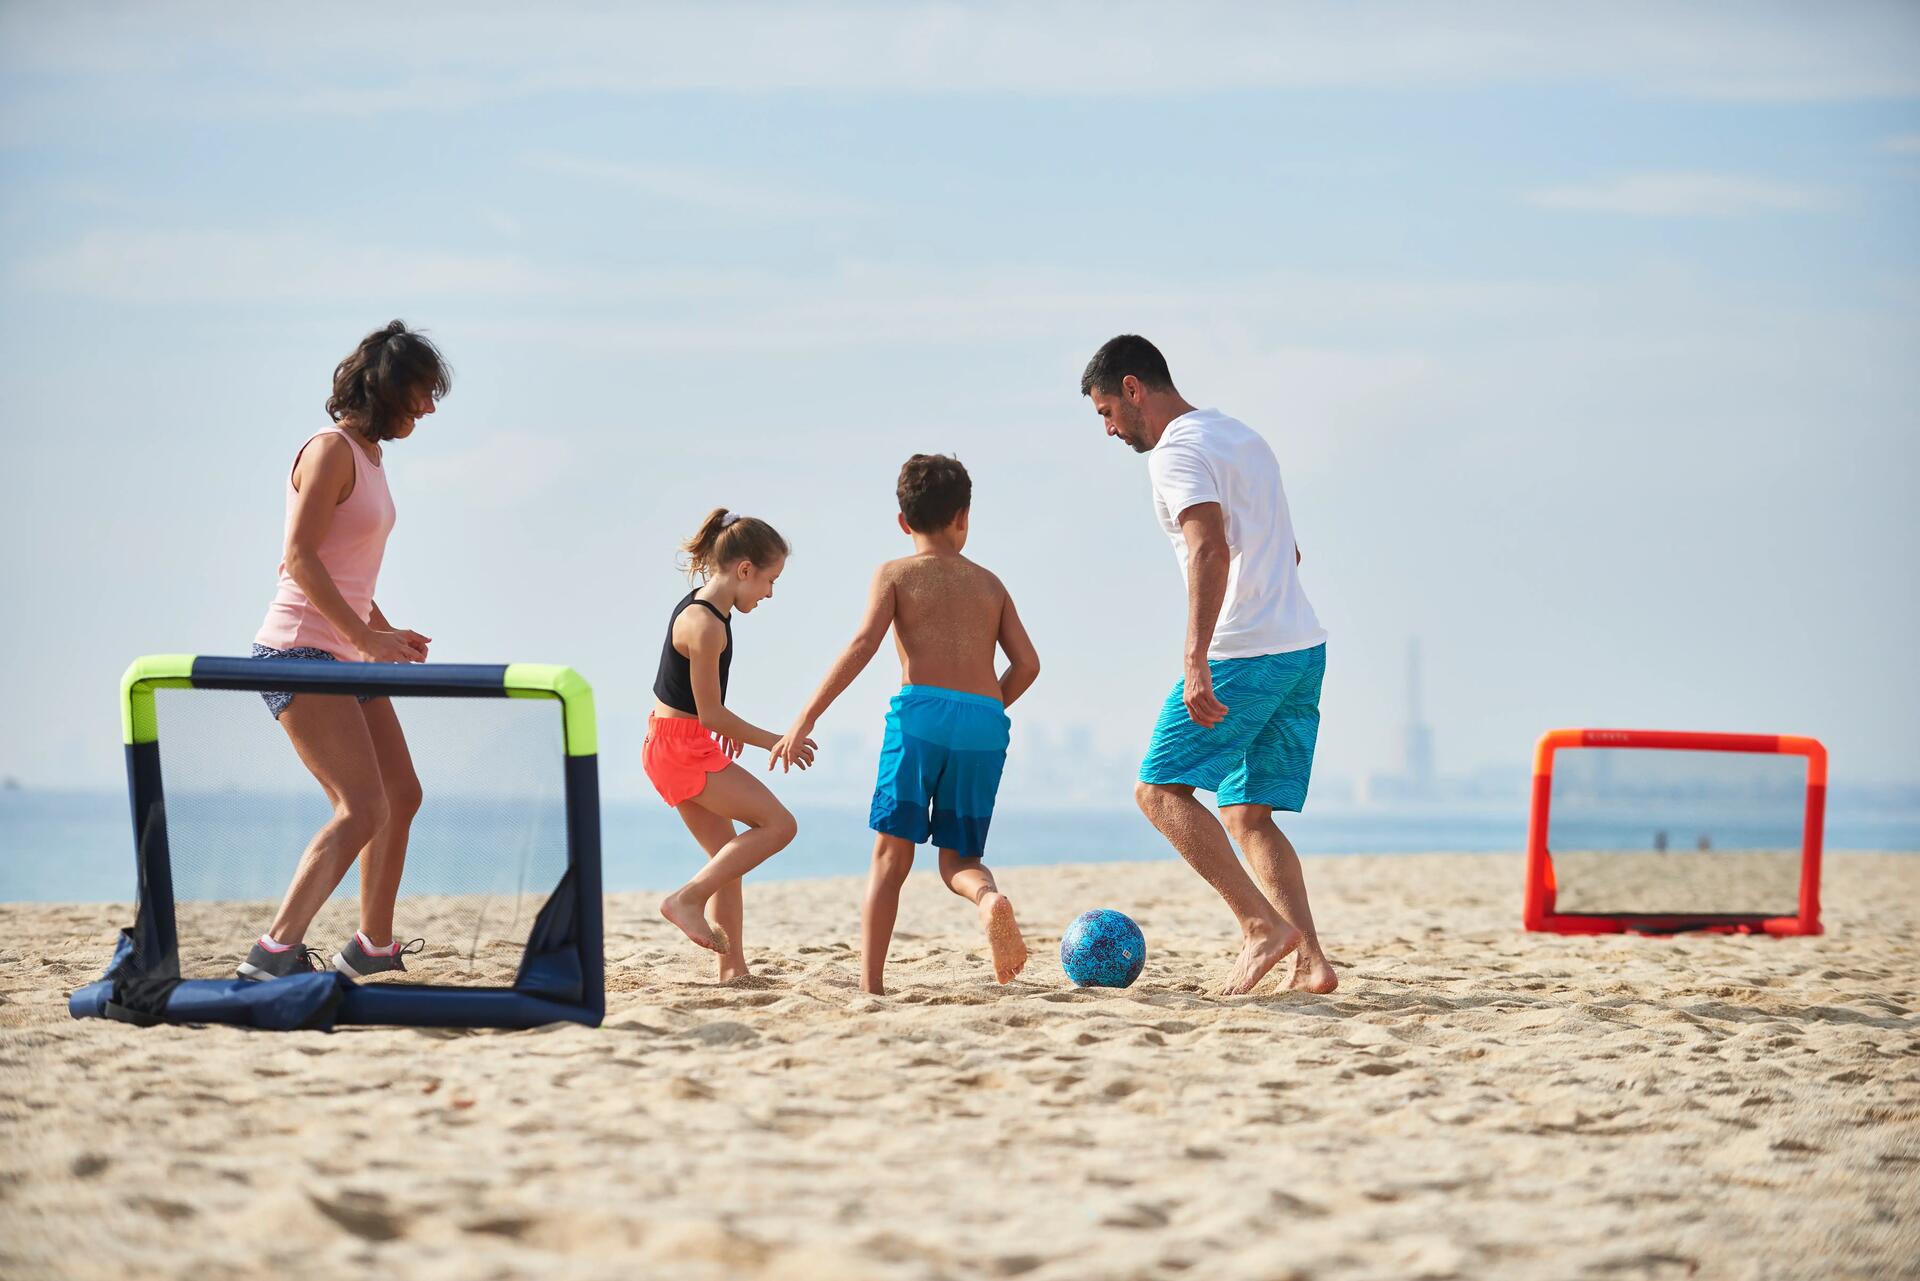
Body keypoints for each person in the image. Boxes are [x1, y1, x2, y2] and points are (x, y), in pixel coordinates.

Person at [1081, 334, 1337, 995]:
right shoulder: (1241, 436)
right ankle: (1311, 962)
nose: (1108, 428)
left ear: (1134, 388)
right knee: (1248, 813)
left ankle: (1260, 927)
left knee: (1158, 790)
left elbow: (1209, 548)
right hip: (1301, 645)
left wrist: (1196, 659)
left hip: (1244, 650)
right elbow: (1290, 552)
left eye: (1107, 410)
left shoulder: (1175, 453)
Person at [772, 455, 1041, 995]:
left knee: (892, 855)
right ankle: (989, 900)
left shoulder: (894, 574)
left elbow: (863, 645)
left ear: (903, 521)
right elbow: (1029, 664)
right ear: (963, 517)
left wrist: (806, 716)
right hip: (985, 722)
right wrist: (988, 709)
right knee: (961, 859)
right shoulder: (991, 585)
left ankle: (871, 986)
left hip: (921, 715)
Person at [238, 320, 448, 982]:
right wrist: (363, 638)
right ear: (387, 387)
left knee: (401, 793)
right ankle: (272, 953)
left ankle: (371, 947)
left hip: (347, 650)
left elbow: (348, 572)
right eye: (421, 391)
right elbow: (298, 559)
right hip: (300, 651)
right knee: (362, 805)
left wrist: (381, 631)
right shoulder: (330, 450)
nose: (429, 406)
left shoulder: (372, 460)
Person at [649, 509, 812, 978]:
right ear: (745, 570)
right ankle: (686, 899)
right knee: (780, 825)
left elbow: (692, 699)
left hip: (675, 742)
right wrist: (777, 742)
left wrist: (711, 726)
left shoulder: (707, 607)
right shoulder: (707, 625)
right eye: (769, 580)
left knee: (727, 860)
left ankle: (732, 971)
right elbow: (711, 711)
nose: (770, 593)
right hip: (679, 749)